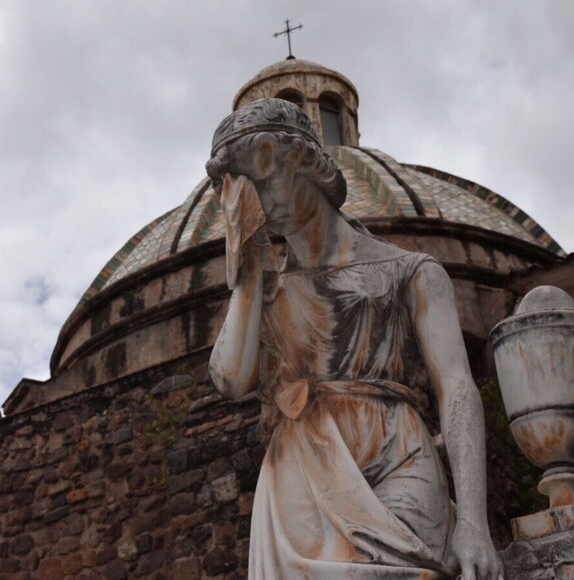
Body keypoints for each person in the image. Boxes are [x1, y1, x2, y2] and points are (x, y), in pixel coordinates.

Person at [206, 99, 502, 579]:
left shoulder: (411, 272)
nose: (261, 202)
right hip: (299, 477)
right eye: (247, 192)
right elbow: (230, 381)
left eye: (266, 179)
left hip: (398, 457)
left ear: (306, 162)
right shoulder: (266, 292)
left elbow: (457, 388)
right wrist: (248, 264)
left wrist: (472, 520)